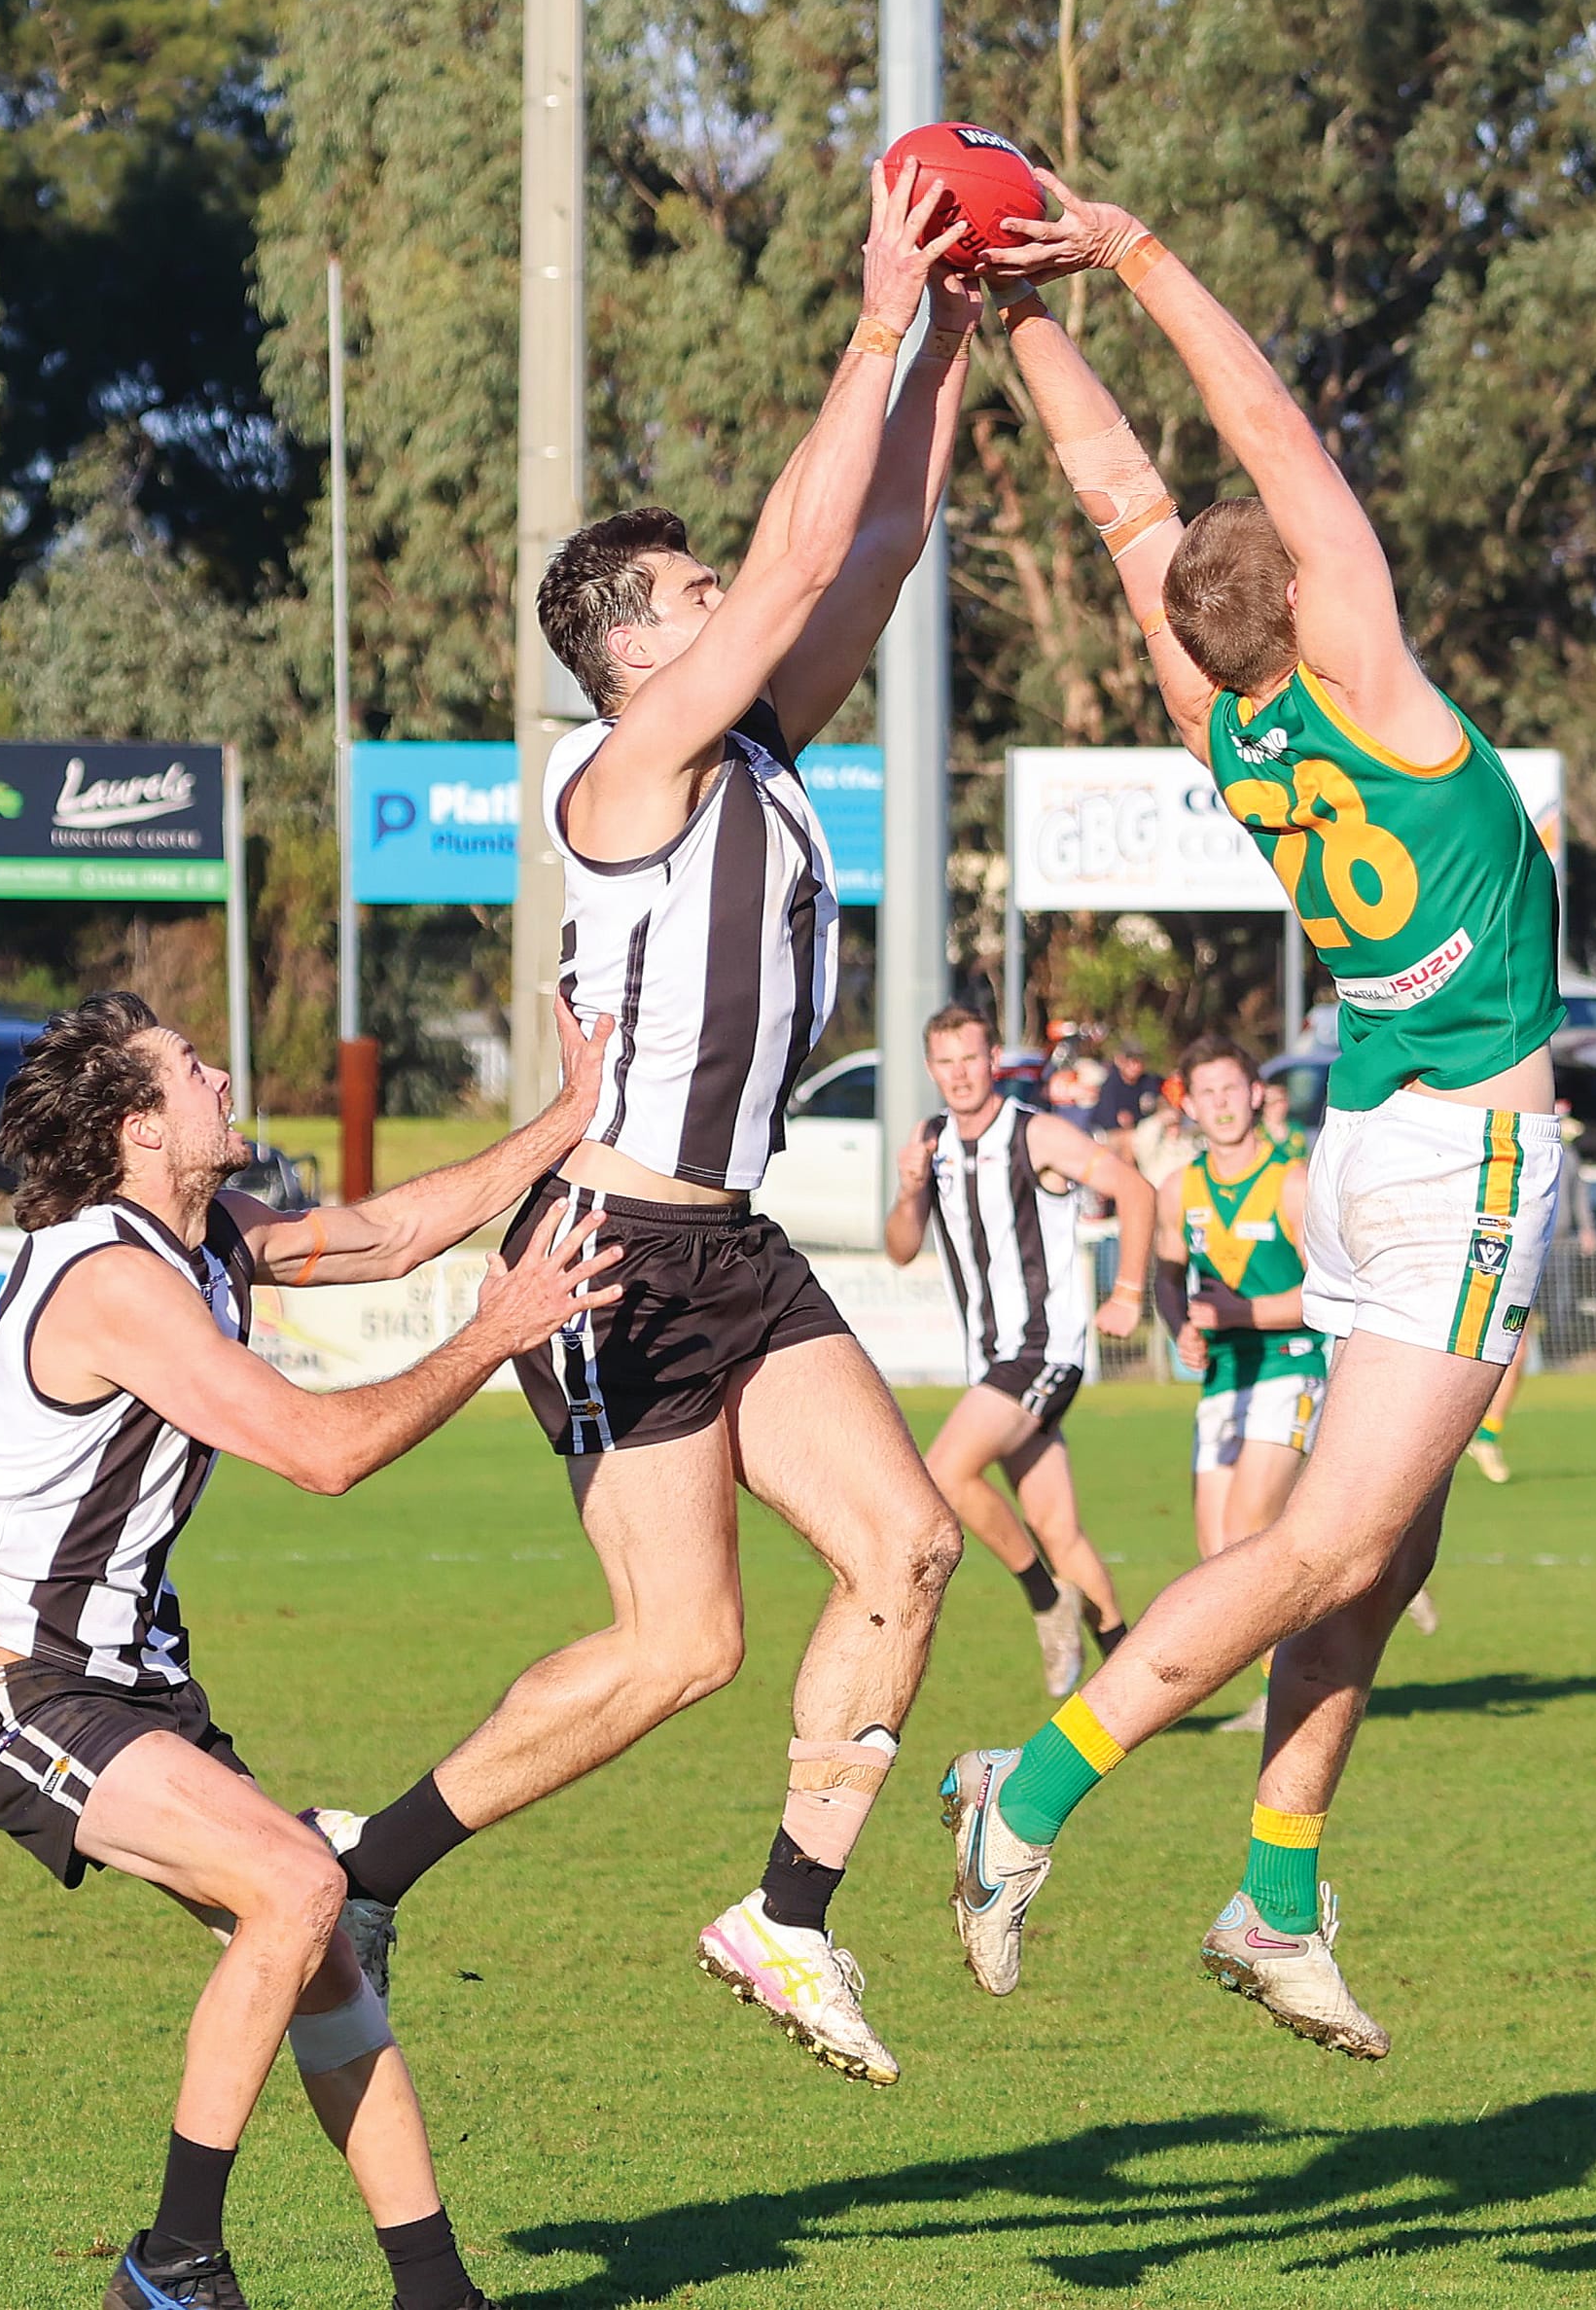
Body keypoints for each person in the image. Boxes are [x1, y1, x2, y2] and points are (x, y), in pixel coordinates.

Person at [306, 160, 972, 2093]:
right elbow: (786, 565)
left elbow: (875, 547)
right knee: (678, 1648)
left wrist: (955, 340)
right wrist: (867, 314)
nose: (730, 606)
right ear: (630, 649)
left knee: (910, 1549)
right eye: (690, 598)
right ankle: (372, 1861)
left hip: (732, 1242)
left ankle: (784, 1916)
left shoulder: (752, 742)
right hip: (607, 1256)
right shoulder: (620, 770)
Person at [939, 180, 1565, 2059]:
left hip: (1364, 1139)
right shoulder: (1365, 678)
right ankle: (1026, 1794)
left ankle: (1275, 1891)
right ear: (1301, 596)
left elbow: (1128, 501)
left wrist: (999, 308)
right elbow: (1261, 434)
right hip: (1457, 1144)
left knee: (1392, 1549)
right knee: (1319, 1544)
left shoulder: (1225, 712)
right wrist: (1120, 250)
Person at [0, 990, 621, 2310]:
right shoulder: (116, 1278)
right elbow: (322, 1452)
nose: (223, 1074)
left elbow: (391, 1229)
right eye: (193, 1068)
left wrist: (568, 1118)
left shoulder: (208, 1235)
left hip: (124, 1675)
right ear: (143, 1126)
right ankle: (172, 2259)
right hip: (3, 1671)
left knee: (322, 1947)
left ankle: (436, 2290)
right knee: (302, 1883)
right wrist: (493, 1330)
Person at [885, 1005, 1153, 1695]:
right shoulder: (931, 1138)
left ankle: (1043, 1598)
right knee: (1059, 1531)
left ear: (993, 1057)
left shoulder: (1037, 1133)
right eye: (946, 1062)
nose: (960, 1073)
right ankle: (1132, 1680)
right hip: (993, 1358)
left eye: (971, 1057)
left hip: (1043, 1348)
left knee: (945, 1472)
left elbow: (1135, 1188)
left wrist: (1126, 1290)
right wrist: (911, 1187)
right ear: (930, 1068)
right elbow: (901, 1247)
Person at [1153, 1036, 1328, 1735]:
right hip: (1227, 1375)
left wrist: (1241, 1312)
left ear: (1256, 1093)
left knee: (1246, 1531)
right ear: (1189, 1105)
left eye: (1233, 1088)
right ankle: (1361, 1574)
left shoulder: (1293, 1179)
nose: (1221, 1104)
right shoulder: (1180, 1188)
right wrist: (1180, 1328)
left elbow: (1327, 1292)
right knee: (1218, 1553)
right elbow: (1169, 1278)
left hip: (1290, 1361)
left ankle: (1282, 1695)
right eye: (1207, 1093)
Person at [1467, 1098, 1596, 1482]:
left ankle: (1486, 1434)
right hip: (1510, 1257)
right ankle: (1464, 1431)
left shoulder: (1566, 1154)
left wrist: (1586, 1226)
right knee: (1501, 1349)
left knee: (1518, 1353)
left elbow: (1577, 1194)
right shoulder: (1512, 1150)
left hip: (1551, 1254)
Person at [1090, 1036, 1159, 1157]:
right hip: (1107, 1137)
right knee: (1128, 1142)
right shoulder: (1110, 1084)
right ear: (1121, 1061)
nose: (1136, 1066)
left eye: (1140, 1061)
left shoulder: (1149, 1082)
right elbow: (1107, 1122)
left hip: (1143, 1133)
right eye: (1132, 1061)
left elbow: (1154, 1107)